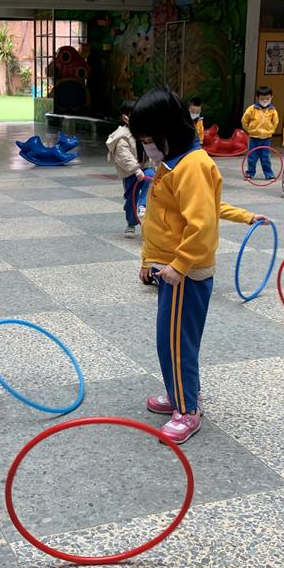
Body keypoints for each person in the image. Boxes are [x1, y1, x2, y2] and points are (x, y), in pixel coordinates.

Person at [131, 88, 257, 444]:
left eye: (148, 139)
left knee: (176, 343)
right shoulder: (173, 162)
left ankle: (187, 409)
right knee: (171, 339)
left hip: (185, 273)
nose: (146, 147)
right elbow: (160, 219)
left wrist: (181, 264)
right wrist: (148, 260)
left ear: (168, 130)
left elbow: (201, 224)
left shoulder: (193, 165)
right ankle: (179, 394)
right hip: (170, 268)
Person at [107, 100, 154, 237]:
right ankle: (131, 223)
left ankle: (143, 205)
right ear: (125, 117)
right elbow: (124, 157)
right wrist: (136, 170)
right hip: (130, 173)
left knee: (150, 180)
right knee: (131, 198)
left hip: (146, 168)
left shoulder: (145, 131)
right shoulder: (121, 136)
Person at [242, 86, 279, 179]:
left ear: (271, 97)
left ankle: (269, 174)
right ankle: (250, 172)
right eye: (262, 99)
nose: (265, 100)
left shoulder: (273, 110)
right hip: (254, 137)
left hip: (266, 138)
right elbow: (244, 120)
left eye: (267, 98)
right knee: (252, 157)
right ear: (257, 98)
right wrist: (249, 130)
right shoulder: (252, 109)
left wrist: (271, 131)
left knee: (265, 157)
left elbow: (275, 122)